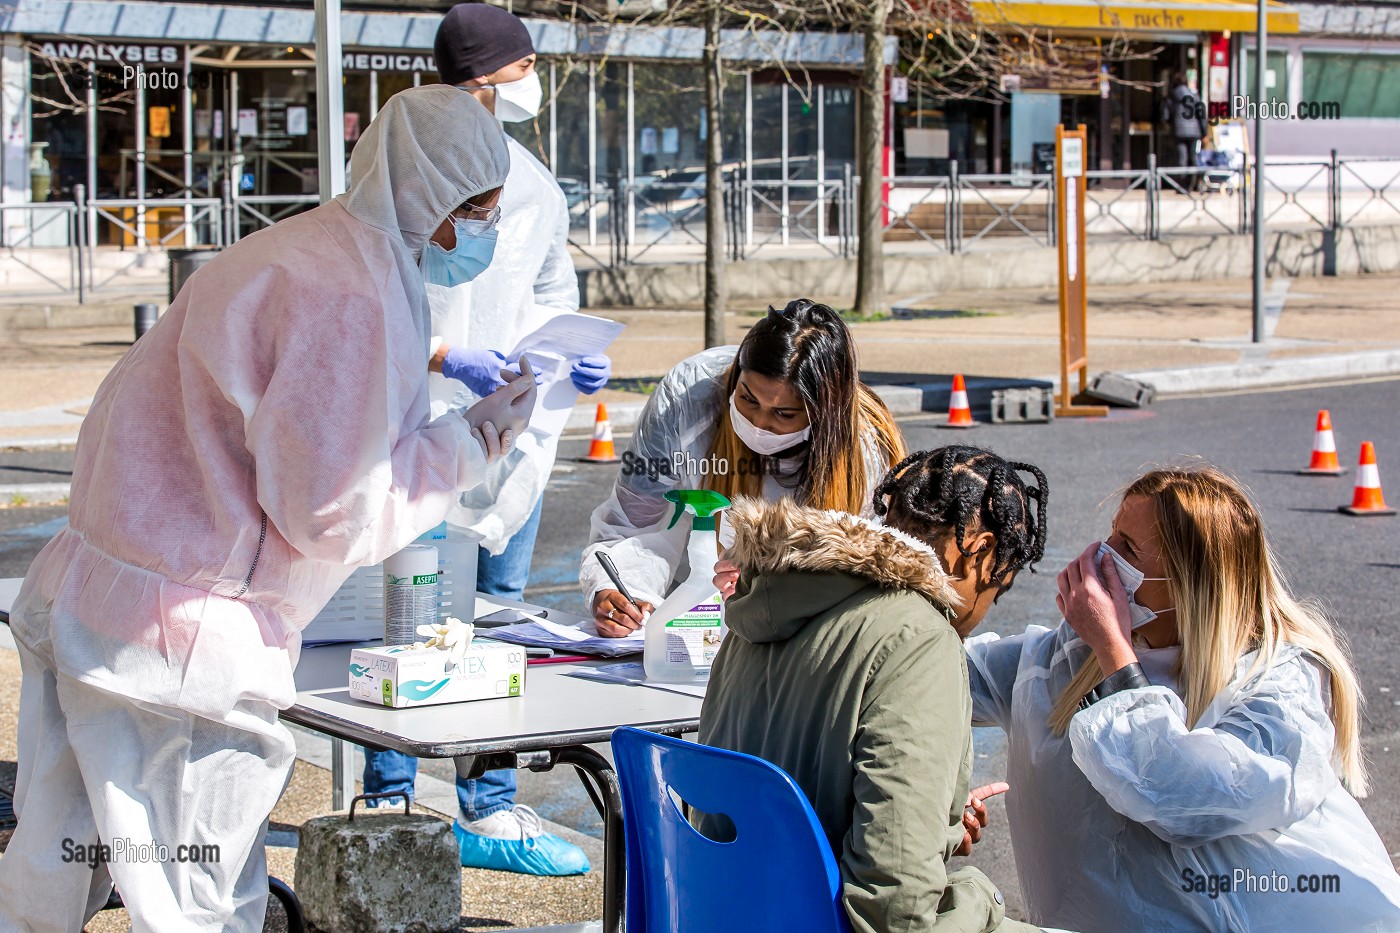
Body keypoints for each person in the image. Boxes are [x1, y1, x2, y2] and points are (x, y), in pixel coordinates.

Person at [0, 85, 536, 931]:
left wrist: (442, 382)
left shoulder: (310, 247)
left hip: (95, 597)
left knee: (54, 858)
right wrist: (471, 442)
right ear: (425, 193)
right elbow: (333, 508)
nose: (482, 229)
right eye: (474, 209)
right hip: (179, 648)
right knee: (196, 901)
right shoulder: (353, 294)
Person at [360, 2, 598, 877]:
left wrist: (570, 354)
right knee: (409, 618)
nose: (534, 81)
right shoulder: (395, 171)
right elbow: (361, 293)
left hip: (508, 427)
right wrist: (441, 354)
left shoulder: (536, 184)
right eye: (523, 66)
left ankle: (489, 805)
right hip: (417, 425)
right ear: (478, 79)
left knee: (496, 619)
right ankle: (388, 802)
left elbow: (551, 287)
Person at [965, 465, 1400, 932]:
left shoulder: (1278, 680)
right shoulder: (1070, 655)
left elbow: (1180, 795)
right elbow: (946, 675)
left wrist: (1115, 653)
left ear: (1192, 582)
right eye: (1111, 535)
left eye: (1128, 549)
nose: (1100, 557)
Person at [699, 446, 1050, 932]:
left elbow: (798, 792)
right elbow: (893, 910)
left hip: (721, 909)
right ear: (979, 550)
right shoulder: (921, 638)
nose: (985, 608)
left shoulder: (765, 605)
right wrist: (979, 896)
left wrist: (938, 820)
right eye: (996, 587)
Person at [580, 298, 906, 635]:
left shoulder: (865, 449)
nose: (759, 422)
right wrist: (620, 590)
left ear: (823, 414)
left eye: (784, 414)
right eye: (748, 399)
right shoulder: (687, 400)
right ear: (736, 376)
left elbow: (868, 571)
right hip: (694, 617)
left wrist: (772, 590)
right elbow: (633, 522)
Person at [1168, 71, 1204, 170]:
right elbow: (1201, 114)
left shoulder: (1173, 96)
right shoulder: (1194, 96)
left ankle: (1182, 178)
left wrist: (1170, 124)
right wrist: (1204, 131)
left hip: (1179, 131)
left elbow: (1166, 114)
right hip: (1194, 131)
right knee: (1193, 158)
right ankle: (1192, 179)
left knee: (1182, 158)